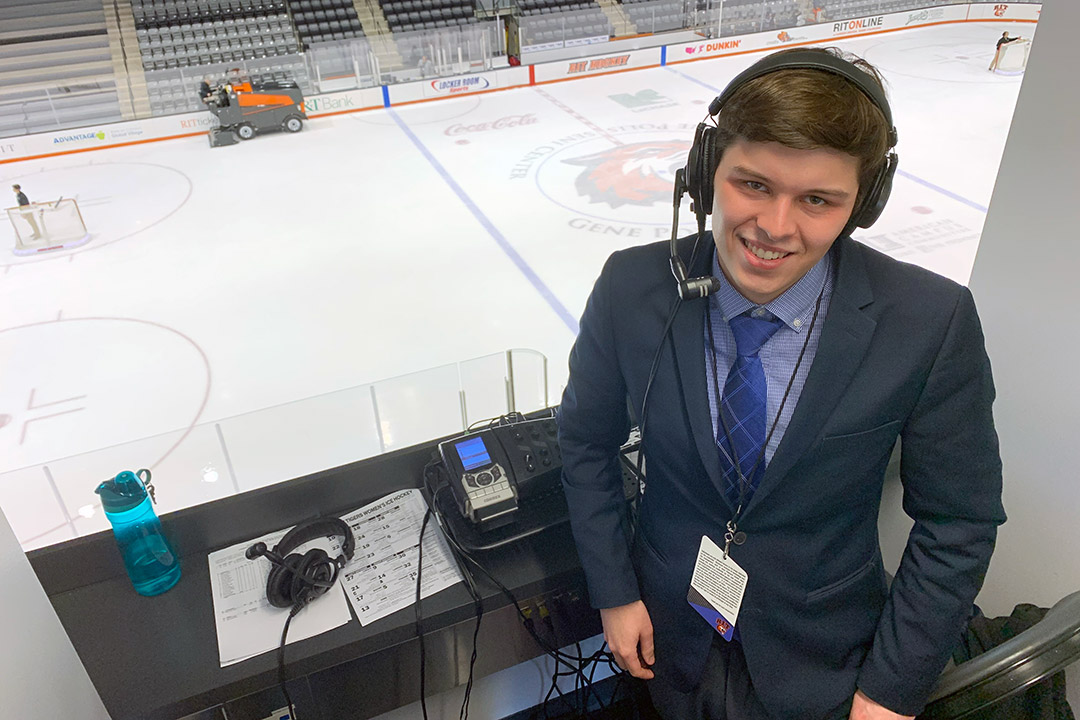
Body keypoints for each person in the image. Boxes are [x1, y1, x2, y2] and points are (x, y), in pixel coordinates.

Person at [559, 47, 1005, 720]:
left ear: (864, 204)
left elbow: (959, 522)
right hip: (666, 639)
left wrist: (890, 690)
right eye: (754, 185)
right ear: (706, 175)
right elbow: (585, 442)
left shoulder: (930, 321)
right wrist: (615, 592)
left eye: (818, 200)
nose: (773, 228)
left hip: (826, 665)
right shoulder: (631, 286)